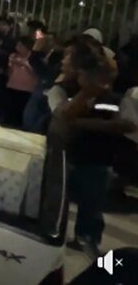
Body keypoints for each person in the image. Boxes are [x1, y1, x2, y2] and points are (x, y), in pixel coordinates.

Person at [49, 47, 135, 259]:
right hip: (65, 156)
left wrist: (81, 123)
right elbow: (62, 119)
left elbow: (126, 124)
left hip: (97, 160)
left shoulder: (115, 99)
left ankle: (88, 239)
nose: (101, 82)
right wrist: (85, 95)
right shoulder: (65, 92)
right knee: (58, 202)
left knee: (91, 205)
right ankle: (55, 235)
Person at [5, 36, 39, 127]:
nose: (17, 47)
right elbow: (9, 70)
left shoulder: (34, 58)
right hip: (12, 86)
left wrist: (24, 64)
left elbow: (36, 72)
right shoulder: (14, 56)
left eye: (20, 45)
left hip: (27, 89)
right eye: (17, 45)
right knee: (10, 111)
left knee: (21, 112)